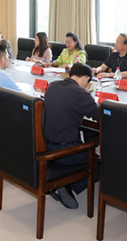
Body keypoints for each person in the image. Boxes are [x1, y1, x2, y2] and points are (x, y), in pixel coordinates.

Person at [43, 63, 100, 209]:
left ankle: (61, 184)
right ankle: (64, 184)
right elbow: (100, 117)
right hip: (66, 153)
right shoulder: (81, 94)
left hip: (45, 147)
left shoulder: (53, 86)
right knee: (100, 164)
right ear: (86, 78)